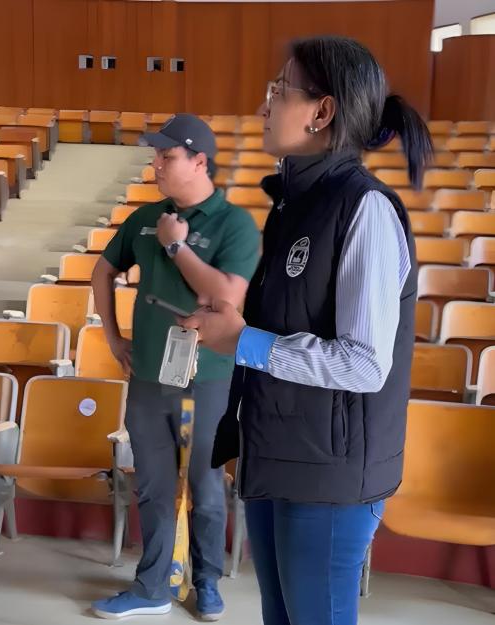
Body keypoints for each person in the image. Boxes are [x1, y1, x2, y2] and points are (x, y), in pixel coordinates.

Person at [180, 36, 433, 625]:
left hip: (330, 473)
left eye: (278, 91)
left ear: (322, 111)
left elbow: (365, 363)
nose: (263, 106)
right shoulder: (293, 205)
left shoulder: (364, 208)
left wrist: (242, 341)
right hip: (281, 452)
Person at [90, 113, 260, 621]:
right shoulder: (144, 217)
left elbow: (225, 296)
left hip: (207, 379)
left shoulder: (234, 224)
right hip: (148, 376)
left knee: (206, 487)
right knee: (154, 486)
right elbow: (102, 272)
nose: (157, 166)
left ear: (199, 161)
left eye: (167, 157)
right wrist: (113, 337)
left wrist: (175, 246)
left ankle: (206, 582)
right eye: (155, 156)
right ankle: (152, 586)